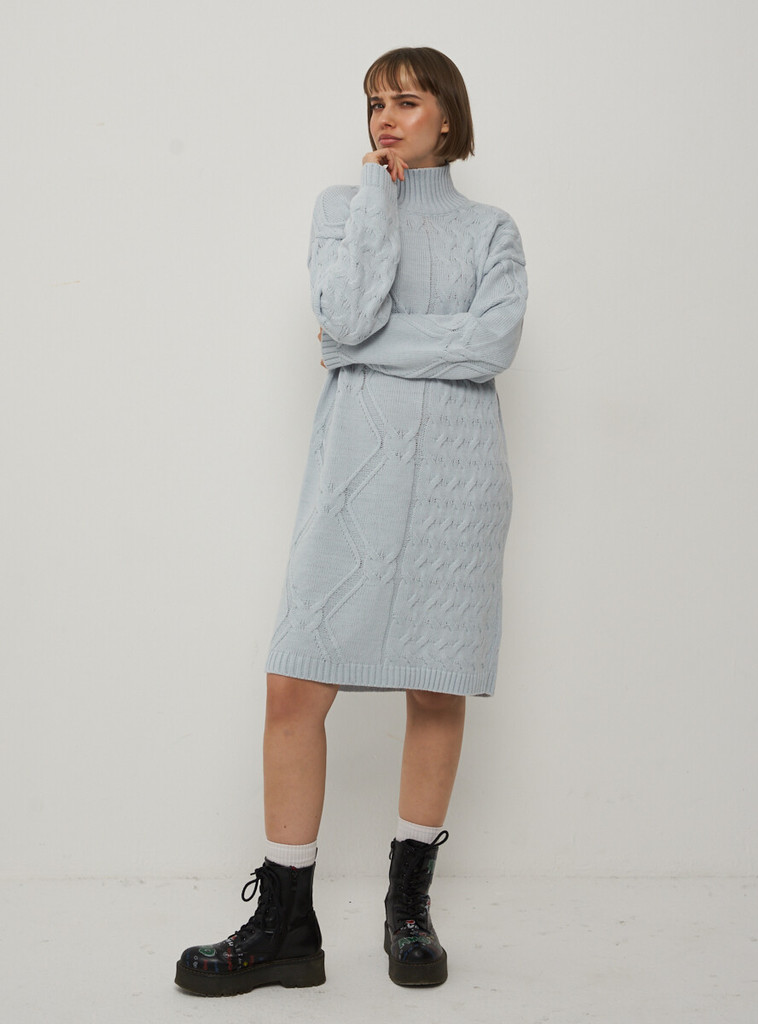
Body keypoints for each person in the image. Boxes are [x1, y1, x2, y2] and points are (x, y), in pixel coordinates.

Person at [174, 45, 527, 996]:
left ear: (446, 115)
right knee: (294, 685)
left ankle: (408, 909)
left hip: (456, 484)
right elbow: (344, 310)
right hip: (353, 482)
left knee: (436, 689)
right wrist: (378, 203)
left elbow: (490, 342)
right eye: (375, 103)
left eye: (405, 101)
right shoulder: (344, 209)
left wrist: (362, 349)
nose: (386, 118)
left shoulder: (492, 230)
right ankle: (287, 923)